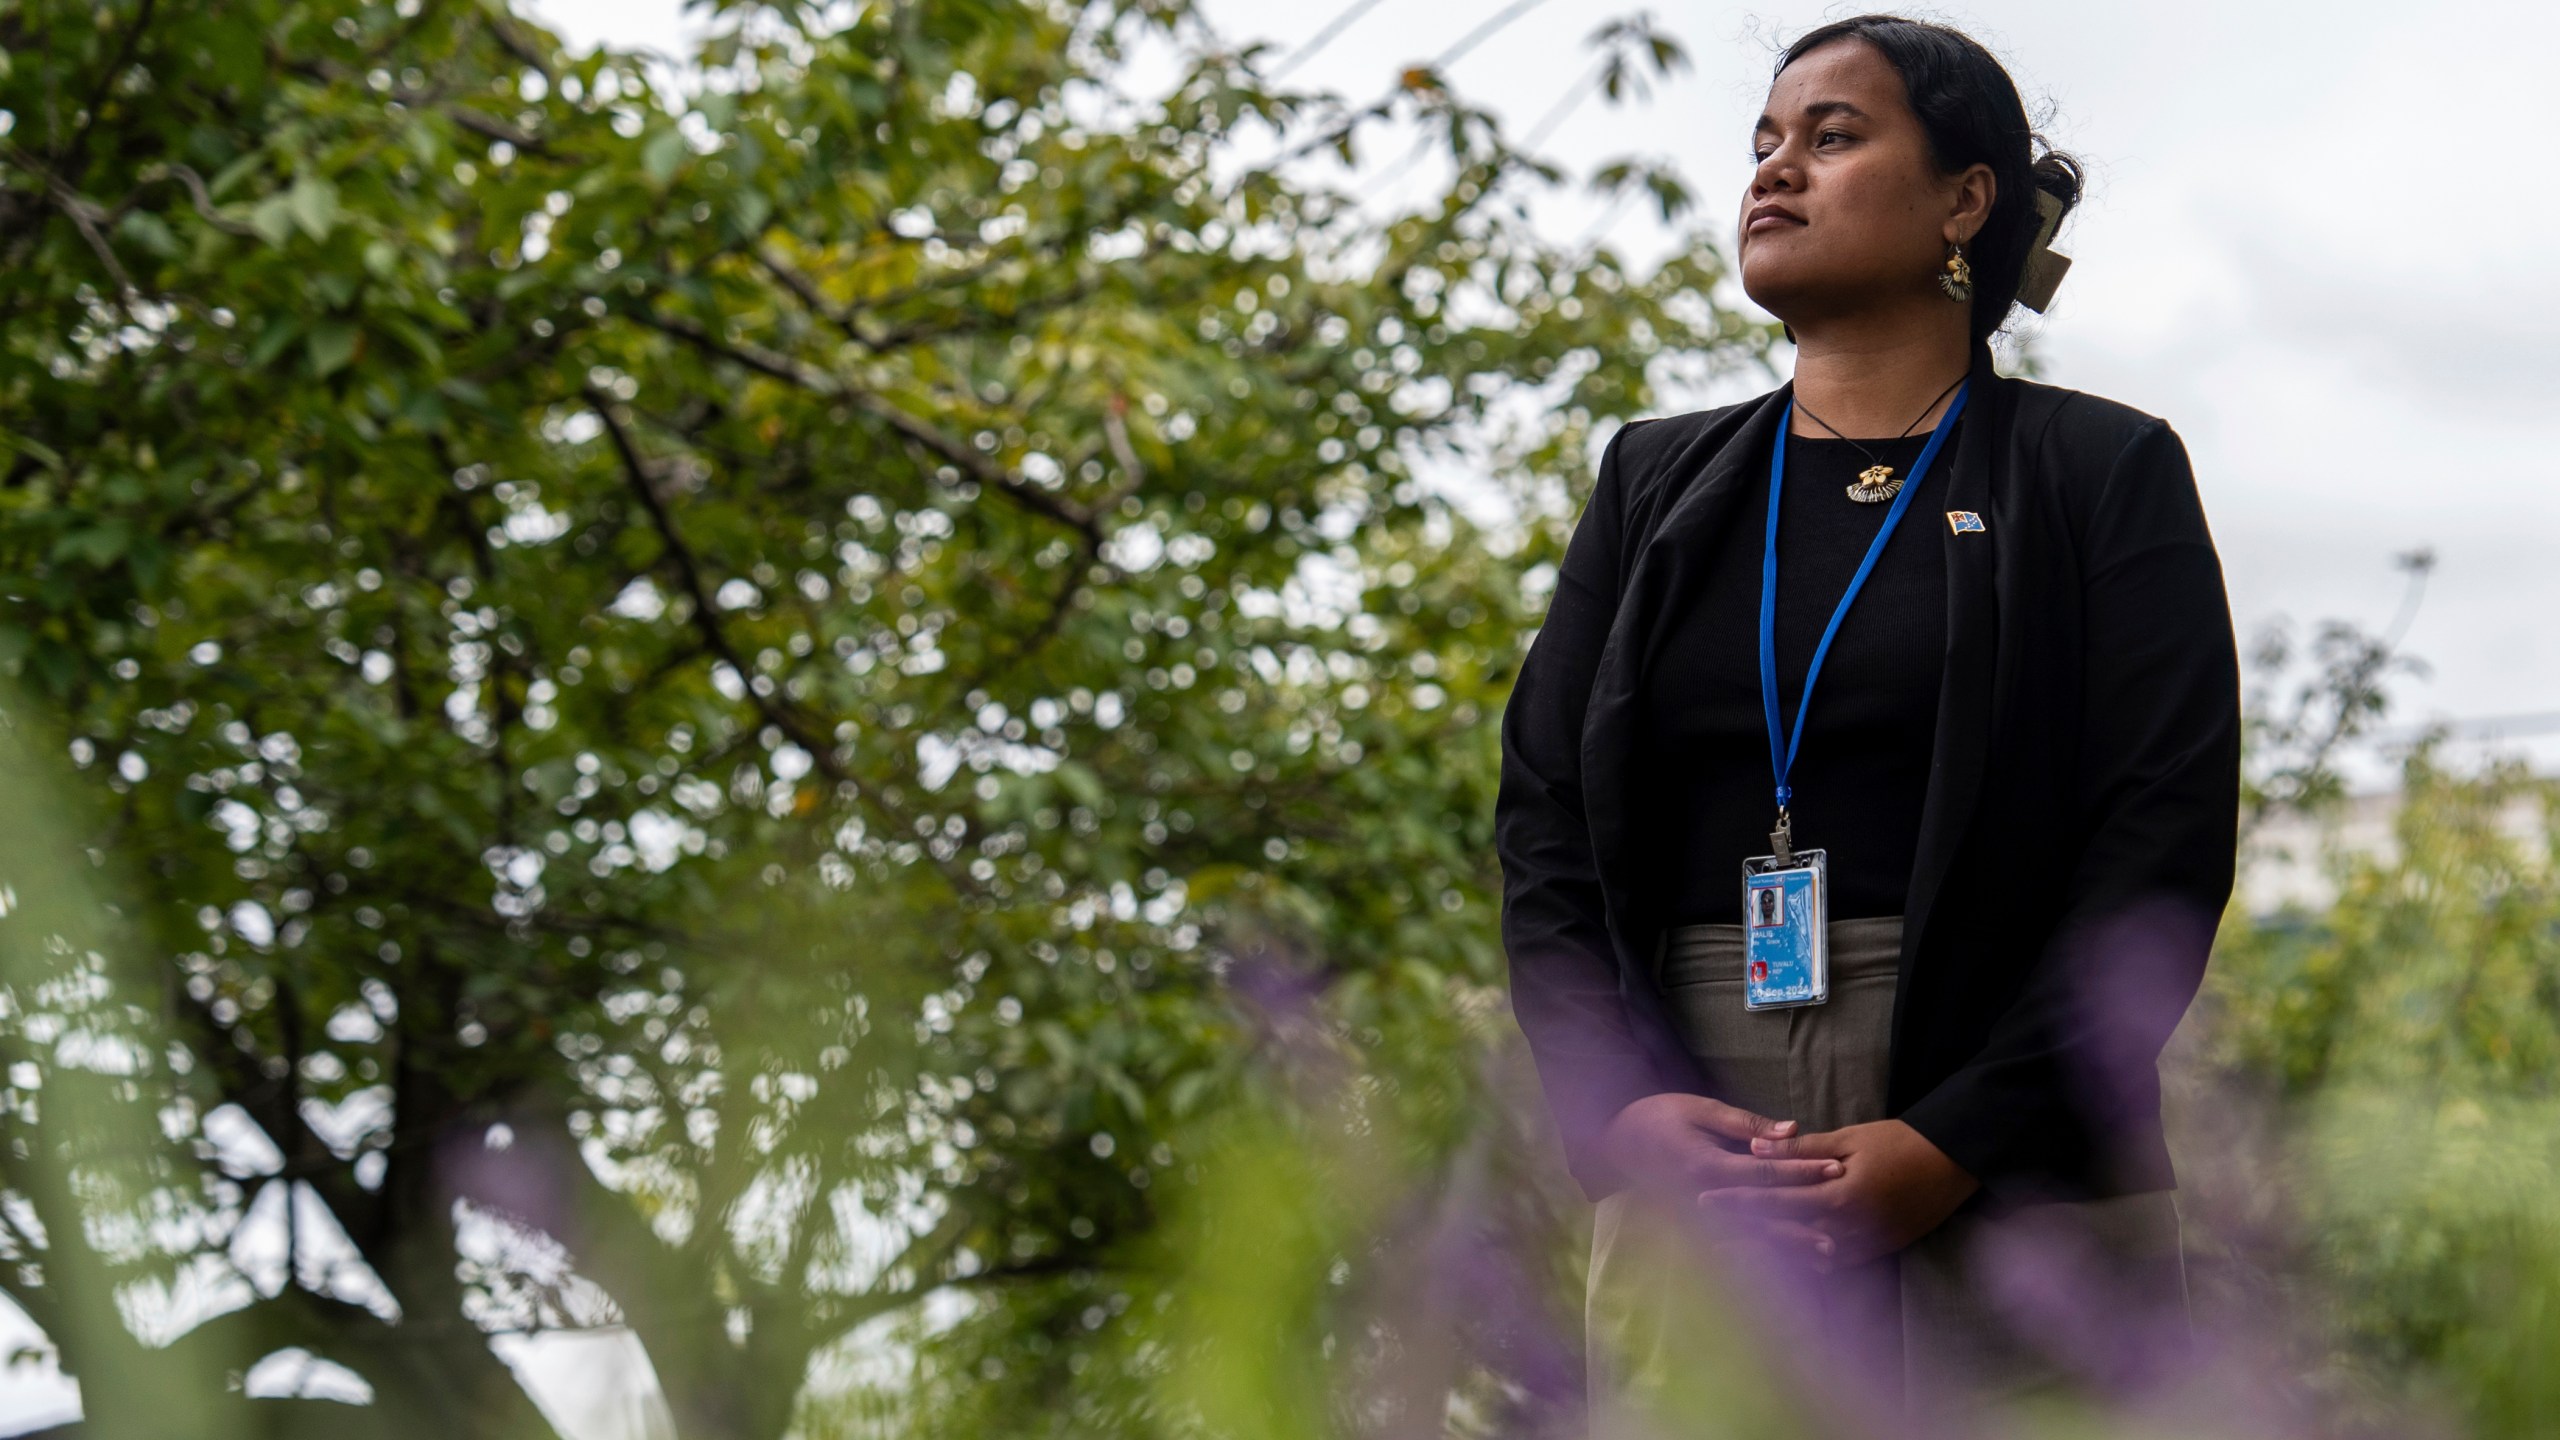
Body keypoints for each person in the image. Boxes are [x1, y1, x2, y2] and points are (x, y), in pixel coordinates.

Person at [1493, 13, 2240, 1424]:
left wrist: (1955, 1139)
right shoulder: (1656, 484)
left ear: (1968, 199)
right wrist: (1625, 1110)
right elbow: (1546, 824)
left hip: (2008, 1123)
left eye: (1832, 137)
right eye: (1764, 143)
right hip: (1704, 1133)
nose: (1775, 173)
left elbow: (2162, 846)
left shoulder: (2100, 473)